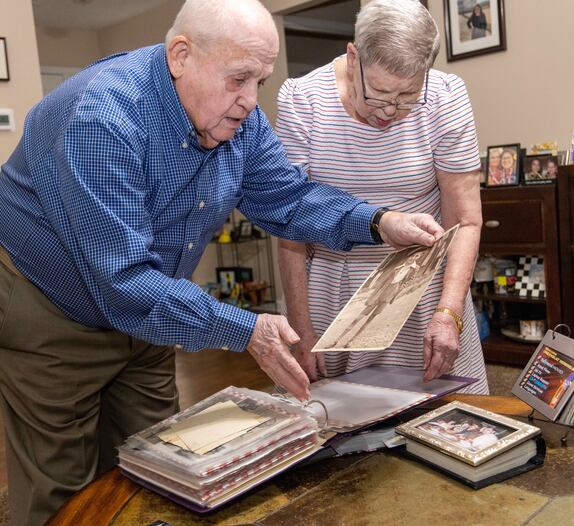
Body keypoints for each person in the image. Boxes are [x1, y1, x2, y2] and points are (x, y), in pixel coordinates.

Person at [0, 0, 444, 523]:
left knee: (156, 465)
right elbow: (120, 278)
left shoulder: (240, 117)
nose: (250, 102)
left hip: (150, 305)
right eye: (239, 79)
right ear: (181, 56)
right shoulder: (103, 116)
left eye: (260, 80)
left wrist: (378, 222)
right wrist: (245, 329)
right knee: (65, 495)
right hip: (52, 306)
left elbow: (288, 199)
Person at [277, 0, 488, 393]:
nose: (391, 111)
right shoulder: (301, 100)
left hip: (424, 291)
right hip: (331, 296)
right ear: (353, 56)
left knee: (447, 425)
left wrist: (448, 313)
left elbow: (466, 220)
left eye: (408, 96)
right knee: (341, 429)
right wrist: (301, 328)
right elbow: (289, 228)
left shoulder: (445, 96)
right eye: (378, 93)